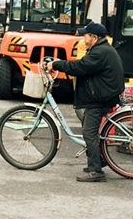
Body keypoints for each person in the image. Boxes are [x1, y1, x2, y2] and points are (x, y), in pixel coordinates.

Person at [42, 22, 124, 183]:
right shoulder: (101, 49)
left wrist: (56, 64)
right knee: (89, 126)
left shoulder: (99, 52)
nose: (83, 37)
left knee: (89, 132)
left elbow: (80, 67)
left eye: (85, 35)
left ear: (94, 37)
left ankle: (96, 171)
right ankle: (99, 160)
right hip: (103, 94)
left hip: (101, 98)